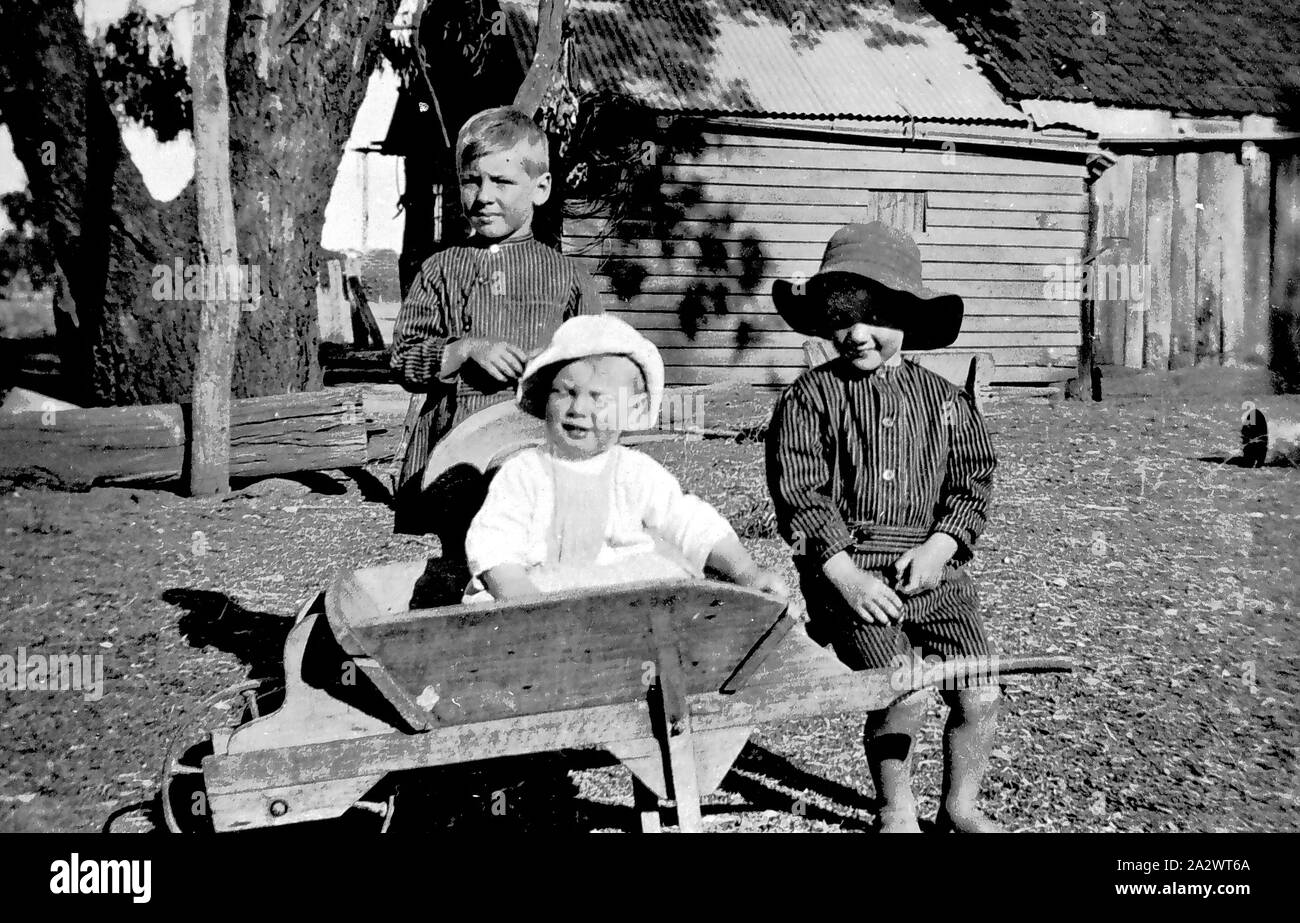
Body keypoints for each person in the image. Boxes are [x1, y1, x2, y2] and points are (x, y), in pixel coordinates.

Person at [765, 222, 1002, 833]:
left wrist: (941, 544)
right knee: (905, 690)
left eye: (875, 315)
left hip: (933, 568)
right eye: (842, 316)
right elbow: (799, 493)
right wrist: (841, 574)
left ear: (908, 316)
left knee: (979, 691)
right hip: (852, 574)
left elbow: (972, 478)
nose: (857, 333)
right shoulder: (810, 398)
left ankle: (962, 805)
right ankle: (895, 806)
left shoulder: (946, 400)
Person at [464, 315, 787, 603]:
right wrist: (526, 603)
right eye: (566, 392)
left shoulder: (635, 472)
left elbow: (691, 523)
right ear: (544, 398)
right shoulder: (524, 473)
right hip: (539, 593)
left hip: (620, 597)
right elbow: (496, 546)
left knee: (669, 572)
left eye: (598, 398)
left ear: (630, 410)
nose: (578, 409)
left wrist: (747, 572)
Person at [389, 106, 602, 537]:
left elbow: (601, 365)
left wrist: (559, 363)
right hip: (455, 452)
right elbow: (404, 359)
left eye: (502, 181)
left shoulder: (568, 277)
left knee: (534, 554)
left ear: (540, 188)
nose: (483, 195)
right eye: (471, 181)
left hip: (541, 446)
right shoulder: (441, 269)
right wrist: (466, 348)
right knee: (461, 559)